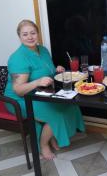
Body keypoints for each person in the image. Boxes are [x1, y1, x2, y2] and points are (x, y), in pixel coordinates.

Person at [5, 20, 85, 160]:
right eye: (25, 34)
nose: (30, 37)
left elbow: (48, 70)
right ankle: (43, 145)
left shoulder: (42, 50)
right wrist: (37, 82)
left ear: (37, 34)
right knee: (57, 114)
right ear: (19, 36)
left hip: (41, 93)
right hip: (20, 100)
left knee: (70, 105)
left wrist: (57, 69)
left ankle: (51, 135)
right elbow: (18, 89)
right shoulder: (18, 58)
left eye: (33, 33)